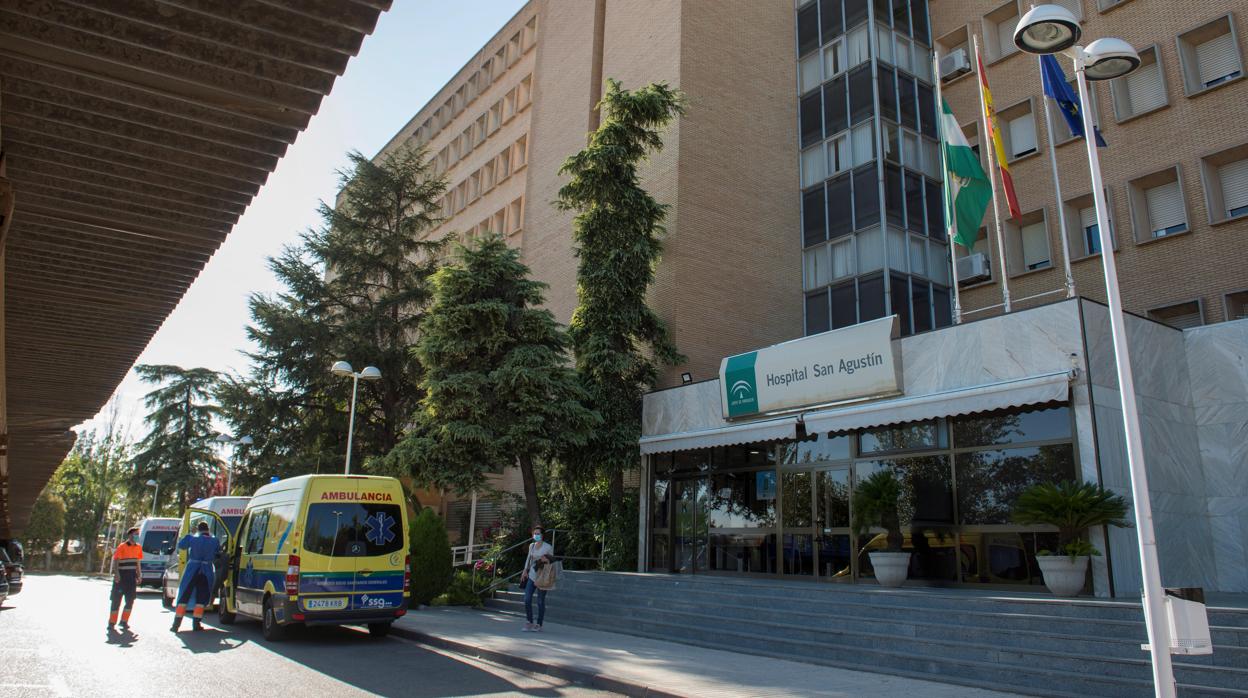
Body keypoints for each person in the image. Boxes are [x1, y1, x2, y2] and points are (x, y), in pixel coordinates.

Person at [171, 522, 217, 632]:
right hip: (206, 571)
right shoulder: (215, 540)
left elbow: (181, 545)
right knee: (201, 598)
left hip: (192, 569)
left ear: (198, 530)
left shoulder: (192, 538)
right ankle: (196, 624)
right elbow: (218, 552)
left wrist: (189, 535)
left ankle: (176, 625)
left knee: (184, 595)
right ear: (208, 529)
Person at [107, 527, 143, 631]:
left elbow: (138, 562)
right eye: (136, 534)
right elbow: (116, 561)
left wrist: (139, 575)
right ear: (130, 535)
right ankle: (112, 623)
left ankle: (124, 621)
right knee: (116, 601)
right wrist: (117, 574)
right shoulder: (122, 546)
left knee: (130, 600)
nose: (137, 536)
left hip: (131, 577)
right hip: (121, 577)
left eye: (138, 534)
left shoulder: (138, 547)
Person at [519, 525, 553, 632]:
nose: (536, 535)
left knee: (540, 601)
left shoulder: (547, 547)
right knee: (527, 599)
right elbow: (528, 558)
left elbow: (551, 561)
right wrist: (525, 570)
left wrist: (543, 559)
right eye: (535, 533)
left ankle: (539, 624)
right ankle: (529, 621)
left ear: (542, 535)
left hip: (543, 577)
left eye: (538, 534)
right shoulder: (532, 546)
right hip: (532, 575)